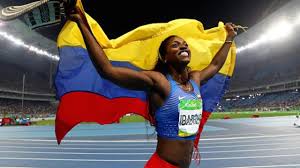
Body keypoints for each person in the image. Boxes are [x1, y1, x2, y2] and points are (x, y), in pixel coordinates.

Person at [65, 6, 236, 168]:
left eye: (185, 44)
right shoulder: (159, 81)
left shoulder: (195, 79)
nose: (183, 46)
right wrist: (81, 23)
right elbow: (107, 70)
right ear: (165, 57)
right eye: (175, 45)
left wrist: (229, 37)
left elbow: (215, 65)